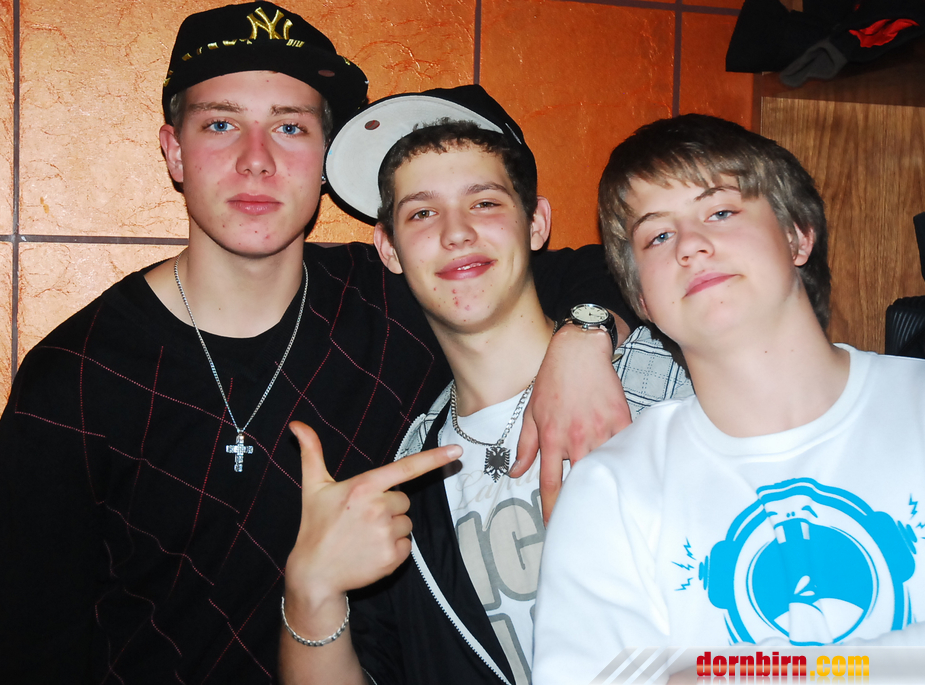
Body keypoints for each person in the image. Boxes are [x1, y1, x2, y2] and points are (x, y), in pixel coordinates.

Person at [0, 4, 638, 682]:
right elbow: (20, 650)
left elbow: (594, 267)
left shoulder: (397, 295)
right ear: (173, 150)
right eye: (221, 124)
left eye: (289, 127)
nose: (256, 160)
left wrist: (585, 336)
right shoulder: (74, 379)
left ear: (325, 159)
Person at [533, 114, 925, 683]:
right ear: (642, 300)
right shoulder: (608, 489)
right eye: (658, 236)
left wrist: (715, 673)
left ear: (798, 235)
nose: (691, 245)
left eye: (720, 212)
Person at [276, 86, 691, 685]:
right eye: (422, 213)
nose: (457, 233)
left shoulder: (679, 377)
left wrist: (589, 330)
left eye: (485, 203)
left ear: (536, 223)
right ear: (388, 249)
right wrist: (310, 590)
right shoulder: (403, 484)